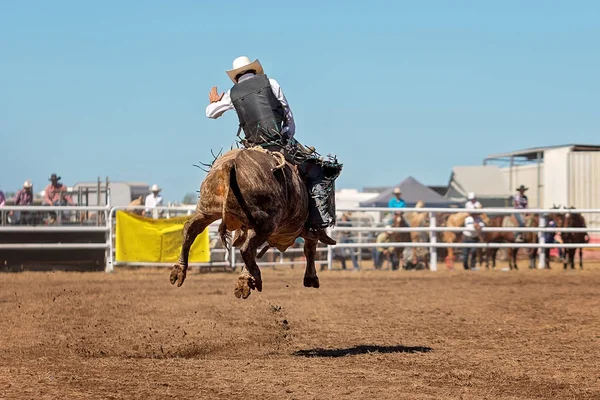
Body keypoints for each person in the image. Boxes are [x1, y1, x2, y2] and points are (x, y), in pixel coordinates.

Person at [205, 56, 342, 245]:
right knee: (320, 171)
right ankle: (316, 225)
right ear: (254, 71)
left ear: (236, 77)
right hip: (280, 144)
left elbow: (210, 114)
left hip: (253, 146)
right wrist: (288, 135)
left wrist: (214, 103)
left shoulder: (231, 93)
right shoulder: (271, 82)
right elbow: (287, 113)